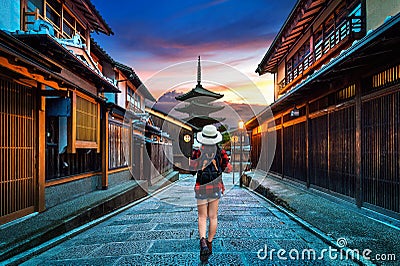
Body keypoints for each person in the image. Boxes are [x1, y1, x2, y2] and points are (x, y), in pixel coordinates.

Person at [194, 125, 225, 262]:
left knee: (202, 216)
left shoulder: (198, 152)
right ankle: (210, 243)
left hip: (201, 187)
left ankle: (202, 242)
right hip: (215, 186)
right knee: (213, 217)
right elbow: (226, 167)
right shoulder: (221, 152)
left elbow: (192, 167)